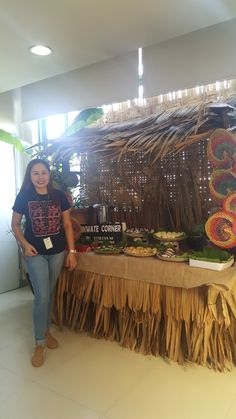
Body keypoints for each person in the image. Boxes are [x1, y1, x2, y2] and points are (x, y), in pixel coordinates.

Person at [11, 158, 78, 367]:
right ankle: (39, 343)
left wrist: (72, 252)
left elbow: (67, 225)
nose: (40, 177)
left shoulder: (59, 196)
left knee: (48, 293)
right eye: (35, 173)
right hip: (35, 253)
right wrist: (24, 244)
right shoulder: (24, 197)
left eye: (43, 173)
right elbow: (15, 225)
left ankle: (46, 330)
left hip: (58, 252)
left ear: (49, 175)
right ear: (30, 176)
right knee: (41, 297)